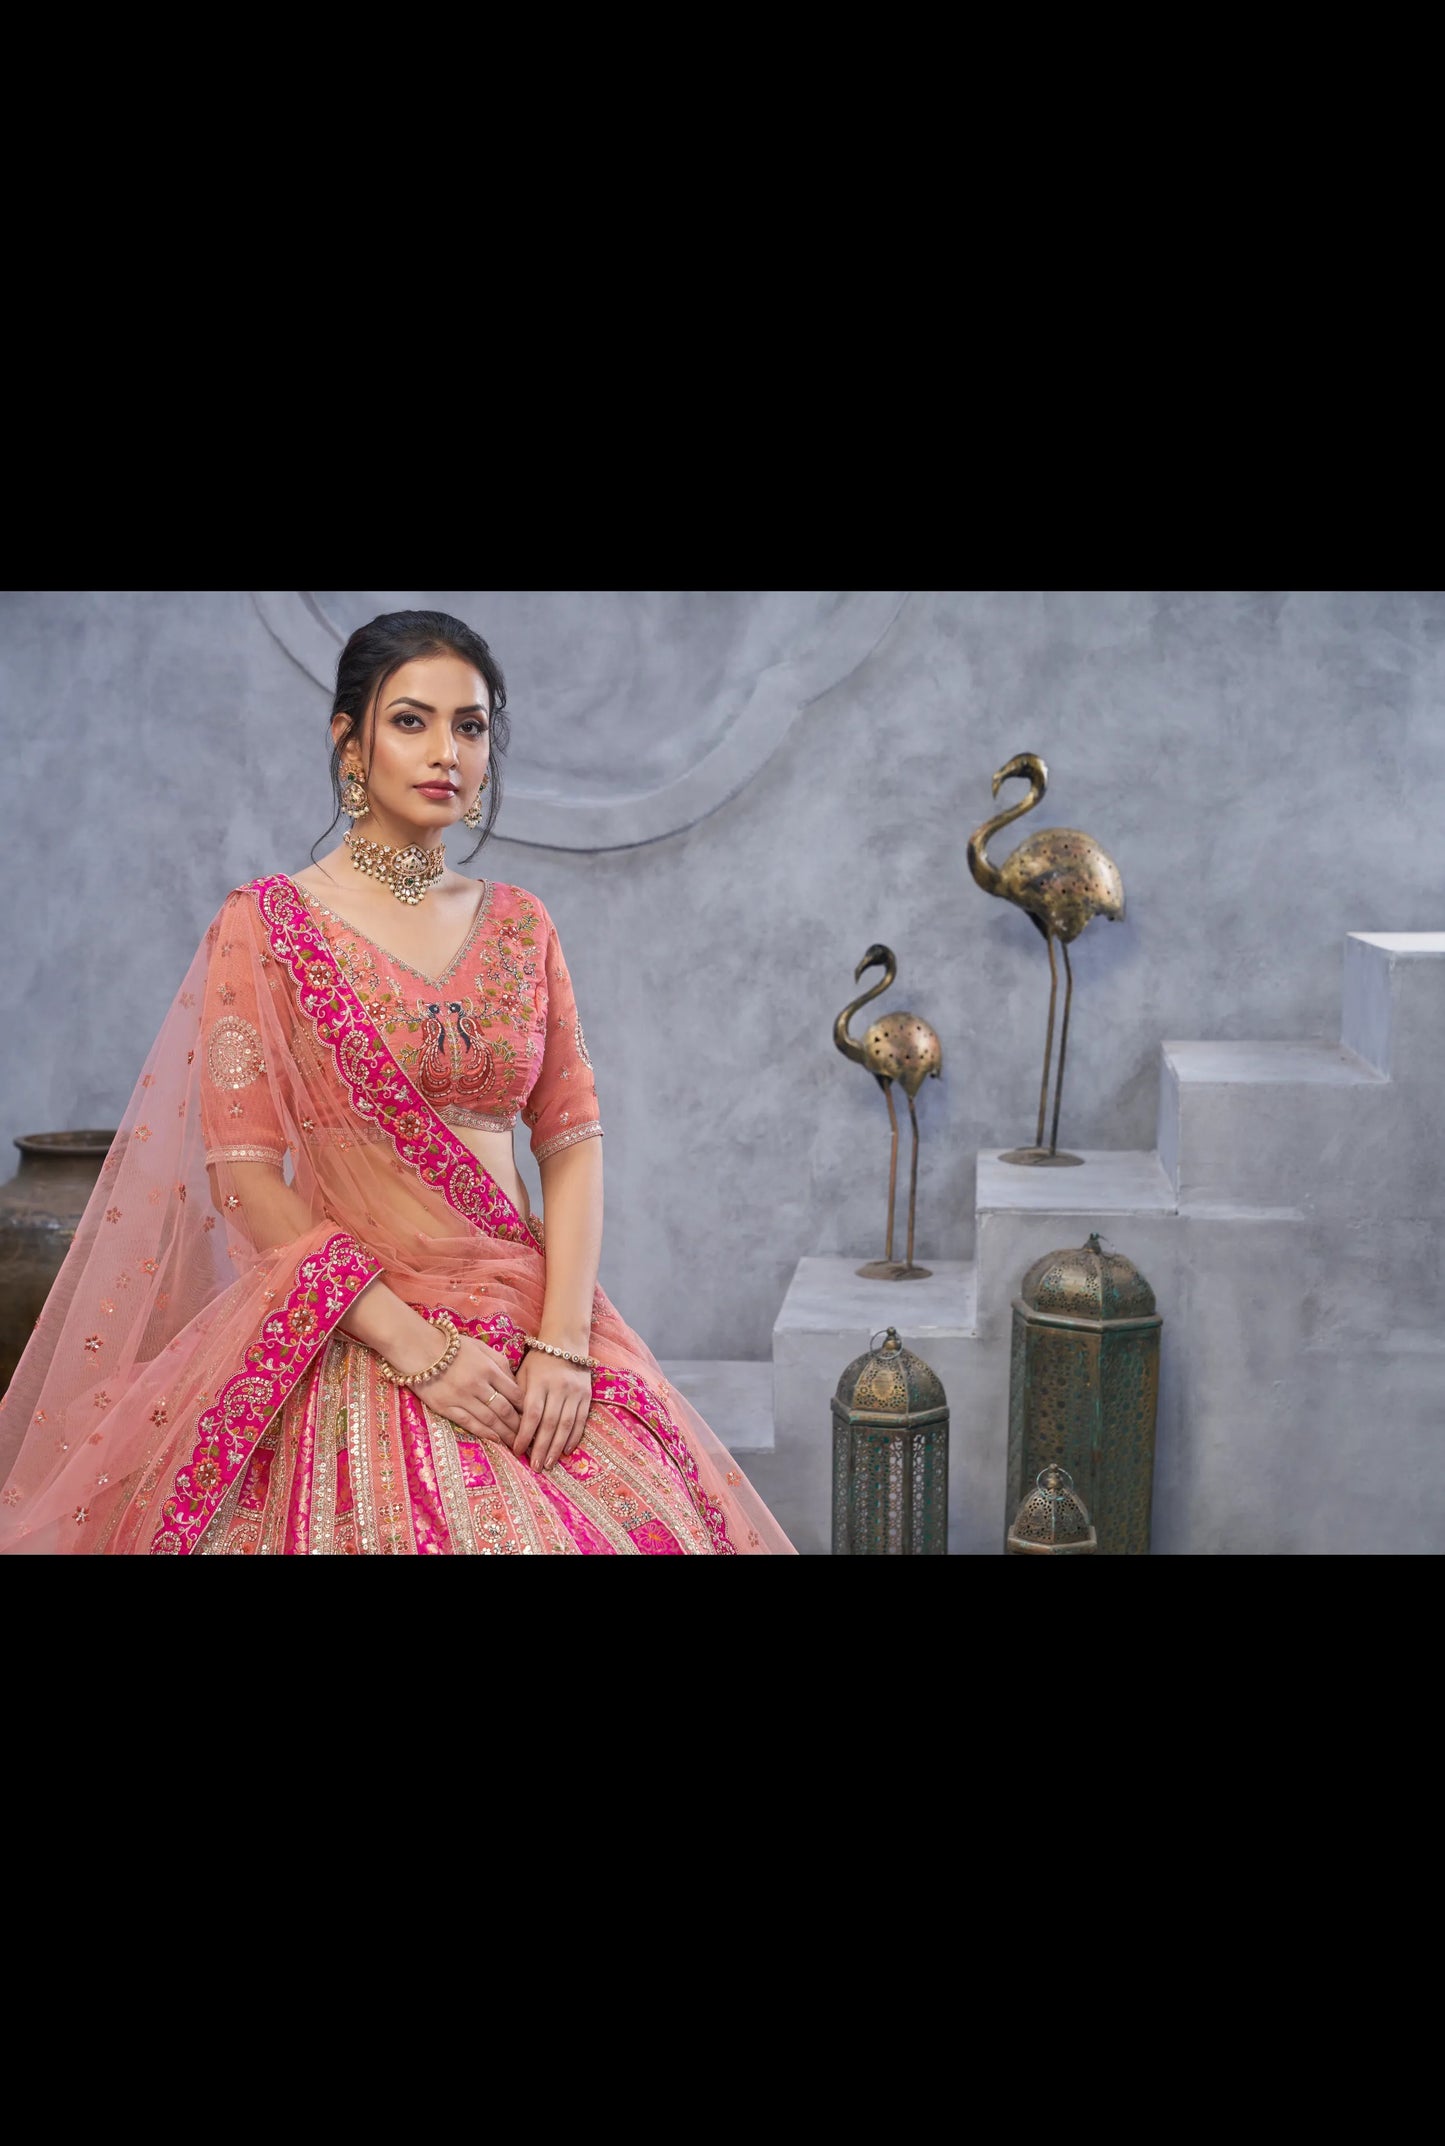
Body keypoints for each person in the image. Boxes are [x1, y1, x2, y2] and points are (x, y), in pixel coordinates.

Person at [0, 610, 795, 1554]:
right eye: (411, 720)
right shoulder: (269, 926)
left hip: (531, 1324)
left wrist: (563, 1345)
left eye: (470, 726)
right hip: (360, 1323)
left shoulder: (521, 924)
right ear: (350, 741)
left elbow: (572, 1140)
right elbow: (244, 1175)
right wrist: (416, 1348)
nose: (446, 751)